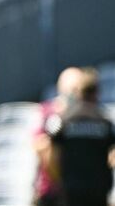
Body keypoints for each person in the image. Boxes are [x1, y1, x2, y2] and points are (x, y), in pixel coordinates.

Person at [45, 68, 115, 206]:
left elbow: (51, 156)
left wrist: (59, 179)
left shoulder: (63, 120)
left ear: (78, 92)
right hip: (99, 188)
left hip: (71, 188)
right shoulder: (105, 121)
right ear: (97, 92)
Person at [33, 67, 82, 206]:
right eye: (71, 89)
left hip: (80, 187)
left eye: (76, 89)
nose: (73, 94)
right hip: (51, 190)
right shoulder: (47, 112)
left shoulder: (86, 115)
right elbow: (38, 144)